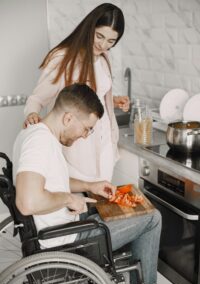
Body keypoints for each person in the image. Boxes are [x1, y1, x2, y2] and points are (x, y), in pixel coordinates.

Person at [14, 83, 161, 284]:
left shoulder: (34, 134)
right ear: (68, 118)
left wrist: (90, 185)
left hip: (62, 228)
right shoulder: (40, 143)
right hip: (66, 242)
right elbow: (27, 203)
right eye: (86, 128)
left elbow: (52, 180)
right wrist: (69, 199)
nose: (84, 135)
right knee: (152, 218)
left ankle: (132, 282)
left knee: (124, 210)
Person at [23, 3, 130, 182]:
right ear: (90, 28)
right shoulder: (63, 58)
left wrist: (115, 100)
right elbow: (37, 98)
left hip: (104, 142)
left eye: (111, 41)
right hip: (78, 144)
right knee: (80, 199)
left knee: (102, 197)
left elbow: (96, 95)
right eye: (100, 36)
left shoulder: (104, 58)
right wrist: (32, 113)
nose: (103, 45)